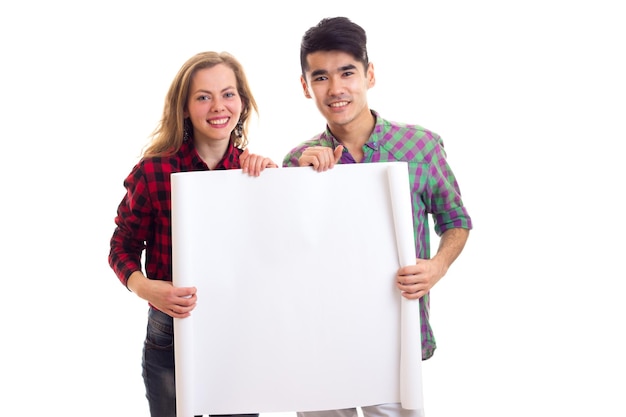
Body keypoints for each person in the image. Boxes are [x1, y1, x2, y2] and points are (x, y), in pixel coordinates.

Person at [283, 17, 473, 417]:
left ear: (369, 75)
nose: (335, 89)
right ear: (305, 86)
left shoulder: (420, 146)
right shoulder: (295, 162)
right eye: (320, 77)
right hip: (319, 342)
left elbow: (456, 220)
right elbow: (282, 257)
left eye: (347, 72)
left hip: (394, 338)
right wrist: (298, 182)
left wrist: (436, 266)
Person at [108, 51, 277, 417]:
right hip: (171, 332)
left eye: (228, 94)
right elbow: (121, 245)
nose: (218, 106)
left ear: (242, 103)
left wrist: (276, 183)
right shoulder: (154, 171)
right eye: (203, 96)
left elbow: (274, 254)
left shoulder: (258, 176)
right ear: (185, 108)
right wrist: (144, 286)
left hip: (239, 332)